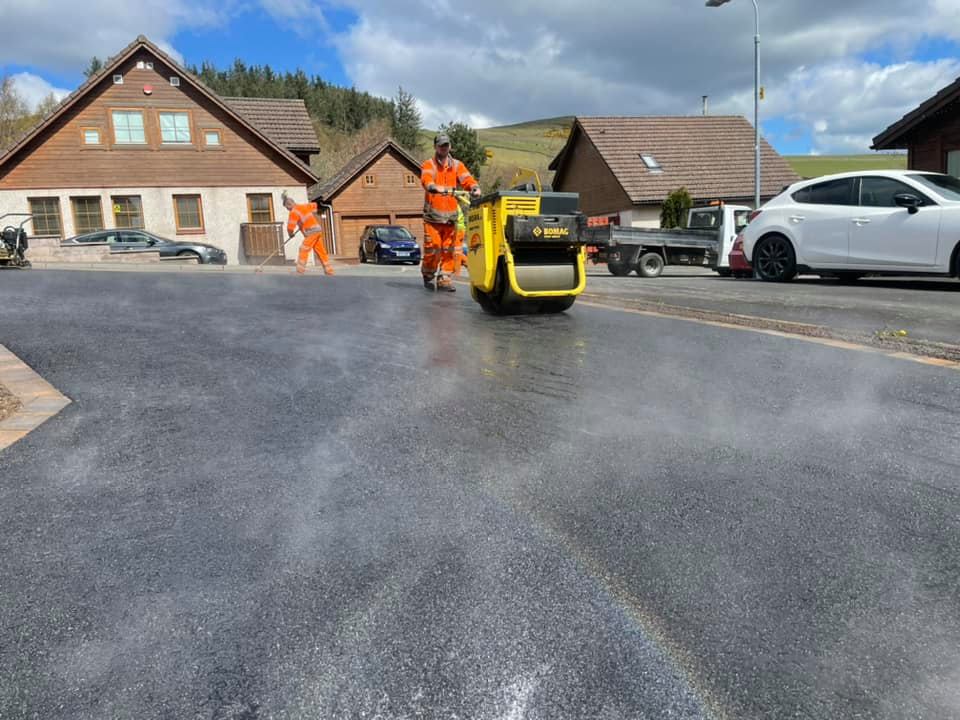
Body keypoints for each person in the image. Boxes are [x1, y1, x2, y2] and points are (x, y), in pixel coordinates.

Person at [420, 134, 480, 291]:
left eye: (446, 145)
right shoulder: (429, 164)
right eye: (441, 145)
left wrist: (474, 188)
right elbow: (427, 180)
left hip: (450, 217)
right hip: (433, 217)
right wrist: (434, 187)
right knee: (433, 248)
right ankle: (428, 274)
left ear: (450, 146)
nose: (444, 148)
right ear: (435, 147)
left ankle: (444, 278)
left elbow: (467, 179)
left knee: (449, 249)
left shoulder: (457, 165)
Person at [282, 192, 334, 276]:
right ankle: (329, 271)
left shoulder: (293, 212)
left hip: (311, 232)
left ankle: (300, 271)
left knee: (303, 248)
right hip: (317, 230)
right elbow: (314, 205)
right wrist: (309, 216)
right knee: (320, 251)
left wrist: (290, 234)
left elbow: (290, 227)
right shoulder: (304, 206)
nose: (287, 209)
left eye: (286, 207)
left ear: (289, 205)